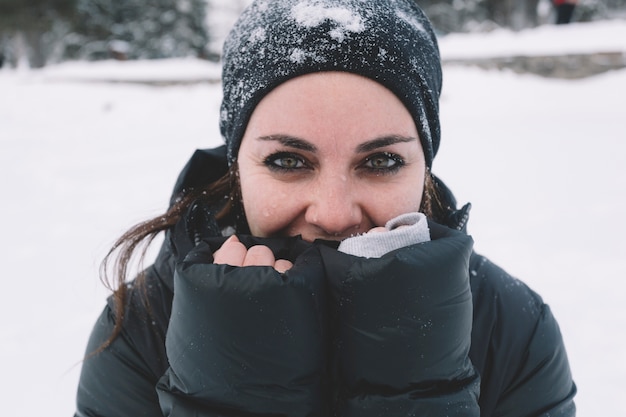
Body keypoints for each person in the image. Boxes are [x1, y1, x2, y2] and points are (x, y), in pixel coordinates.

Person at [74, 0, 577, 416]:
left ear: (424, 165)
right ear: (237, 165)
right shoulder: (144, 325)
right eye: (288, 160)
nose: (334, 216)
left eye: (380, 160)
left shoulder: (511, 325)